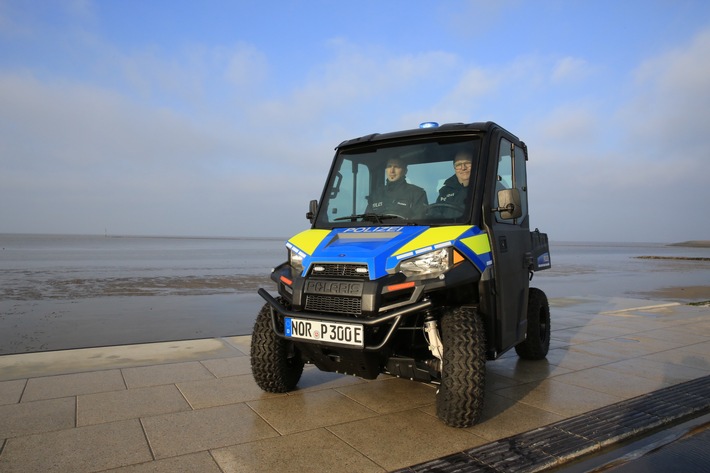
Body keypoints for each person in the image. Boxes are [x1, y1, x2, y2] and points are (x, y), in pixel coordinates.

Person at [434, 151, 473, 216]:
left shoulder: (484, 187)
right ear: (454, 168)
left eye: (467, 163)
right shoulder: (444, 192)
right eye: (458, 165)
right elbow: (435, 215)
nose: (463, 168)